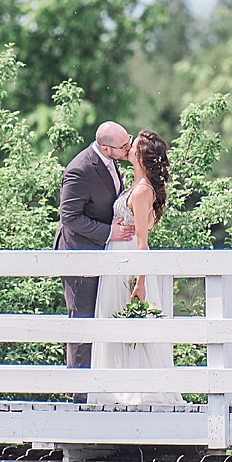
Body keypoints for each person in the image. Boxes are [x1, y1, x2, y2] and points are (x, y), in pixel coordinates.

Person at [92, 129, 181, 405]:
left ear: (142, 156)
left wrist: (140, 281)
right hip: (116, 258)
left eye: (135, 145)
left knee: (131, 323)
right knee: (114, 322)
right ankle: (114, 388)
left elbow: (142, 240)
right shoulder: (133, 184)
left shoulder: (142, 191)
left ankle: (138, 391)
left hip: (130, 260)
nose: (129, 146)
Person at [57, 120, 134, 376]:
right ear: (105, 148)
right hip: (78, 252)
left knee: (100, 316)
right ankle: (77, 393)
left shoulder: (112, 162)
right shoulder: (80, 169)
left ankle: (96, 386)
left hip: (103, 252)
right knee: (82, 320)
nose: (128, 148)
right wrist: (110, 232)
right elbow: (69, 217)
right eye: (123, 146)